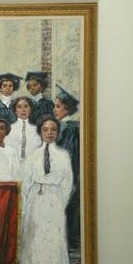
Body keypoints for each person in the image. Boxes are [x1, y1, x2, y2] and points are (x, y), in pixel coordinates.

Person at [16, 115, 74, 264]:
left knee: (53, 235)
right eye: (46, 130)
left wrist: (58, 202)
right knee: (35, 235)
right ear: (40, 132)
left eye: (53, 130)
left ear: (57, 132)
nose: (49, 133)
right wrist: (26, 204)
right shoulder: (33, 155)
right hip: (35, 199)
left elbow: (67, 183)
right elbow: (26, 181)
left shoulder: (63, 156)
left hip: (54, 198)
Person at [53, 83, 81, 250]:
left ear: (68, 109)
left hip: (69, 175)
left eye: (58, 107)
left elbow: (69, 155)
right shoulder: (64, 126)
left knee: (68, 208)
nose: (55, 110)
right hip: (65, 175)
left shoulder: (70, 128)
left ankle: (69, 242)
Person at [5, 96, 42, 163]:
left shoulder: (36, 129)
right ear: (15, 111)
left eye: (26, 106)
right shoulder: (9, 129)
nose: (23, 110)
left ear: (30, 109)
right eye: (19, 107)